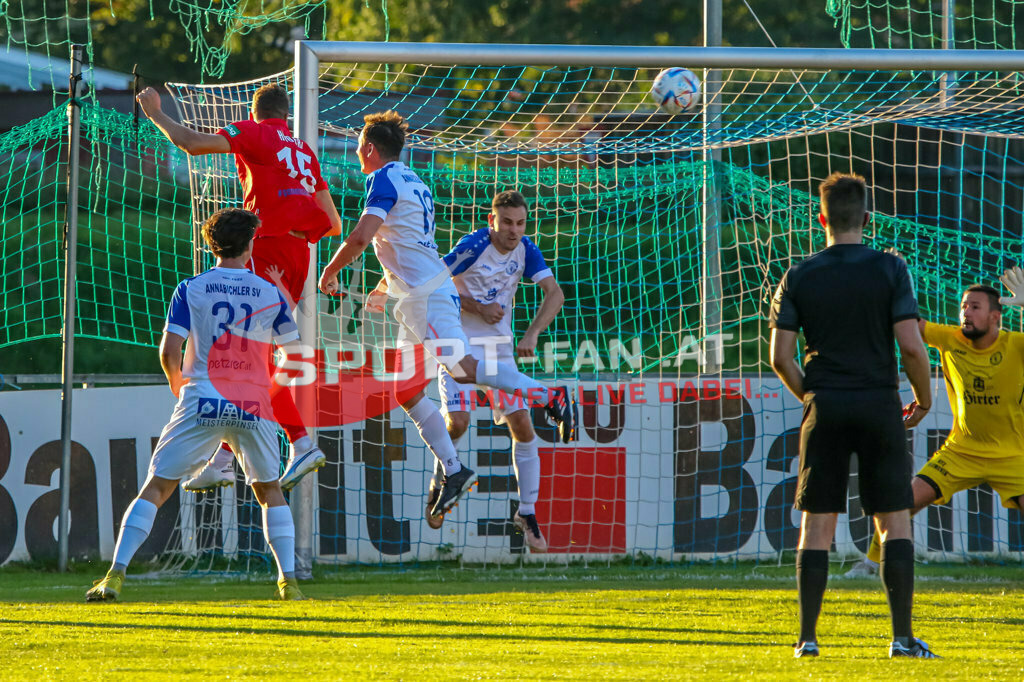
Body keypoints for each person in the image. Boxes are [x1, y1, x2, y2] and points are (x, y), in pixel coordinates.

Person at [318, 110, 577, 519]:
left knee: (461, 369)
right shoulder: (414, 179)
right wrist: (386, 288)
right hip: (417, 295)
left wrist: (330, 271)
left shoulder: (382, 179)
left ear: (369, 148)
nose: (356, 154)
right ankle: (453, 472)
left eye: (357, 148)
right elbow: (409, 244)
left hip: (425, 295)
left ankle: (551, 396)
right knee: (403, 389)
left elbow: (363, 236)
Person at [86, 208, 305, 602]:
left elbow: (170, 350)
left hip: (202, 396)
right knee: (270, 490)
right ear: (250, 243)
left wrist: (176, 381)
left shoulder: (192, 287)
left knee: (157, 487)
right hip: (252, 402)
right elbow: (294, 353)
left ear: (212, 245)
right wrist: (267, 389)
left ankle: (114, 576)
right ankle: (288, 582)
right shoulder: (268, 291)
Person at [136, 83, 342, 493]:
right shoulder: (304, 150)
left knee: (245, 360)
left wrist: (155, 112)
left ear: (255, 111)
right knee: (251, 358)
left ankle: (300, 442)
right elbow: (333, 224)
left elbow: (192, 144)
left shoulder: (253, 132)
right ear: (286, 113)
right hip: (298, 255)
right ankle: (225, 459)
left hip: (263, 248)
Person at [768, 172, 939, 659]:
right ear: (867, 218)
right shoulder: (891, 270)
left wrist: (812, 396)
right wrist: (923, 399)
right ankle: (902, 638)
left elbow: (780, 357)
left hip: (826, 403)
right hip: (879, 403)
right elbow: (911, 346)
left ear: (820, 218)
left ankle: (807, 640)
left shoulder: (798, 274)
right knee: (894, 521)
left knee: (817, 525)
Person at [414, 190, 564, 551]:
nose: (514, 230)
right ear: (491, 220)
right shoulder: (473, 244)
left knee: (524, 426)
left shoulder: (526, 248)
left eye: (520, 222)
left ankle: (526, 512)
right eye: (507, 222)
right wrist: (476, 307)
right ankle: (443, 480)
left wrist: (532, 333)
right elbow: (433, 284)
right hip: (459, 343)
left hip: (498, 348)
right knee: (459, 422)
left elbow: (555, 293)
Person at [847, 277, 1024, 577]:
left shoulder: (1016, 345)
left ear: (996, 316)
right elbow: (907, 324)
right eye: (964, 307)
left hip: (1012, 455)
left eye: (975, 307)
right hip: (961, 452)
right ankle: (870, 564)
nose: (966, 312)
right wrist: (892, 283)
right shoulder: (950, 338)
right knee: (899, 503)